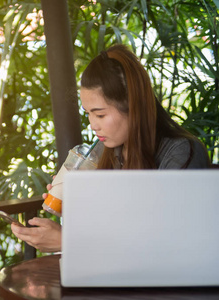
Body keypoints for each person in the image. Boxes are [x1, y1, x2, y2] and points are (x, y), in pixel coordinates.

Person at [11, 44, 211, 253]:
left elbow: (168, 242)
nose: (93, 124)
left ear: (133, 107)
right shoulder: (111, 153)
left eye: (100, 115)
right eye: (88, 113)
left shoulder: (182, 153)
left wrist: (69, 241)